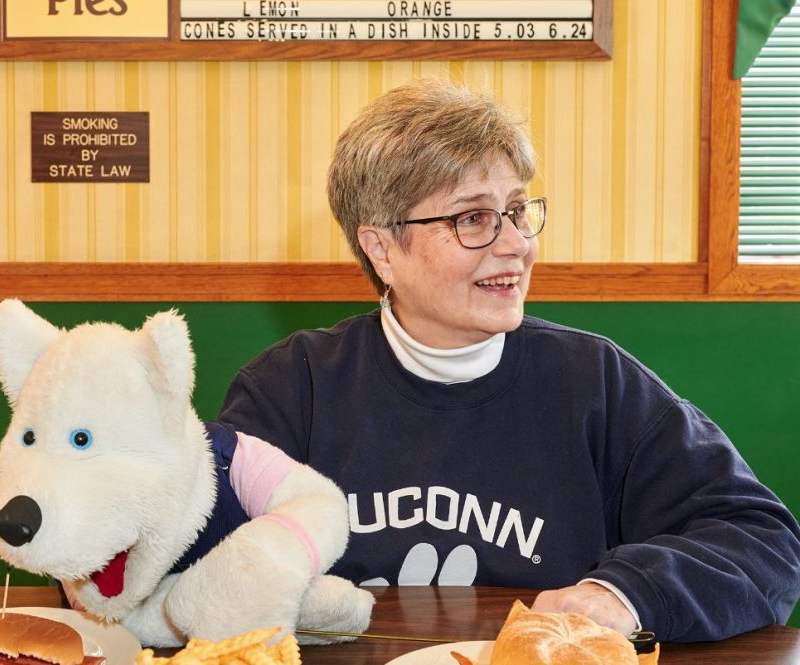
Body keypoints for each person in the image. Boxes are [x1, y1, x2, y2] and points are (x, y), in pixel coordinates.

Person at [218, 78, 800, 643]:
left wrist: (623, 595)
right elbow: (204, 564)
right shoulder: (291, 388)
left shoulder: (595, 382)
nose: (516, 244)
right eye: (472, 218)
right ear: (381, 249)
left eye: (518, 211)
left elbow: (762, 540)